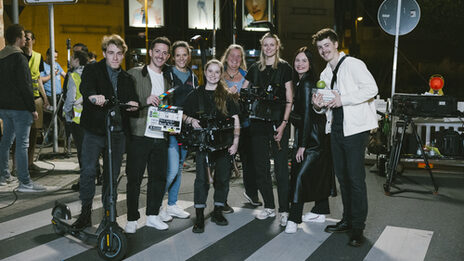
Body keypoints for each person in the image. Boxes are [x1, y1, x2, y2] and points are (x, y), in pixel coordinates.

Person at [312, 28, 378, 247]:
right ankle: (347, 220)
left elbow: (372, 89)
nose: (323, 50)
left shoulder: (353, 64)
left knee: (355, 179)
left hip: (355, 130)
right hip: (336, 130)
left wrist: (344, 99)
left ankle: (358, 227)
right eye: (320, 47)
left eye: (327, 46)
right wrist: (317, 105)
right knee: (342, 178)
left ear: (336, 44)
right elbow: (325, 108)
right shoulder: (324, 74)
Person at [72, 34, 139, 229]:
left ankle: (109, 217)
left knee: (112, 175)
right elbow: (86, 88)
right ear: (104, 53)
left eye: (119, 53)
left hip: (116, 132)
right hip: (94, 130)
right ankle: (85, 213)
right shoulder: (93, 69)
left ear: (123, 55)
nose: (115, 57)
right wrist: (93, 97)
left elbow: (132, 100)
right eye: (111, 53)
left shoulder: (127, 78)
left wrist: (134, 105)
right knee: (88, 171)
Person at [183, 59, 240, 233]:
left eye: (217, 72)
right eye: (210, 71)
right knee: (202, 181)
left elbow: (236, 118)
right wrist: (191, 120)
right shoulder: (195, 95)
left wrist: (236, 142)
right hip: (203, 146)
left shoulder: (227, 95)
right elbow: (182, 115)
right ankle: (199, 217)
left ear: (220, 74)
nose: (213, 75)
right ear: (205, 73)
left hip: (224, 145)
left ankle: (217, 211)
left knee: (222, 179)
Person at [242, 33, 293, 226]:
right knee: (261, 168)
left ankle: (285, 210)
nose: (269, 48)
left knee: (280, 169)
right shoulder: (255, 68)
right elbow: (243, 92)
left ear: (277, 46)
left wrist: (284, 123)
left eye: (272, 45)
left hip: (278, 123)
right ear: (262, 47)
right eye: (266, 45)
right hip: (258, 124)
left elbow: (289, 98)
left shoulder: (285, 67)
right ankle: (269, 207)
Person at [124, 36, 173, 233]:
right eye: (157, 51)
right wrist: (144, 100)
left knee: (158, 177)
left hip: (161, 135)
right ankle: (131, 219)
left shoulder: (168, 79)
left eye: (164, 52)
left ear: (167, 56)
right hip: (139, 133)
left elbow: (170, 107)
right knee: (134, 177)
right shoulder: (134, 74)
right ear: (150, 52)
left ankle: (152, 215)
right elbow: (126, 103)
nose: (160, 55)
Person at [284, 47, 333, 233]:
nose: (300, 64)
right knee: (318, 173)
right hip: (315, 136)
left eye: (304, 60)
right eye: (297, 60)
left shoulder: (305, 84)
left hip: (311, 139)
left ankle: (293, 219)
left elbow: (305, 117)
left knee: (299, 176)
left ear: (310, 63)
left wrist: (302, 145)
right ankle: (320, 210)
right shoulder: (303, 81)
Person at [0, 24, 45, 191]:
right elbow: (25, 85)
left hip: (4, 107)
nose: (26, 40)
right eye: (24, 37)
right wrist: (32, 108)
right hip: (20, 108)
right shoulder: (20, 58)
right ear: (18, 38)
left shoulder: (1, 56)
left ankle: (3, 176)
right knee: (22, 144)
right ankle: (25, 182)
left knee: (6, 142)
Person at [158, 41, 198, 222]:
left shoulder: (193, 76)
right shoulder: (167, 74)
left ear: (188, 56)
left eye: (185, 55)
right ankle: (156, 205)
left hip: (186, 130)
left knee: (179, 168)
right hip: (170, 127)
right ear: (172, 57)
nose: (181, 58)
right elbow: (163, 101)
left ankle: (172, 204)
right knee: (172, 169)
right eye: (178, 55)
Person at [220, 44, 262, 208]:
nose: (235, 59)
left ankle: (252, 193)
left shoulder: (247, 75)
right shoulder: (218, 75)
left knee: (249, 162)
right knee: (224, 164)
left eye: (239, 56)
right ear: (227, 56)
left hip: (245, 125)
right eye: (232, 55)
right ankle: (221, 200)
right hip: (224, 127)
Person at [22, 30, 48, 172]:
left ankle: (30, 163)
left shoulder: (38, 57)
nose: (26, 41)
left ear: (34, 40)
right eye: (24, 38)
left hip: (36, 98)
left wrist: (44, 98)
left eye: (29, 38)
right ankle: (18, 165)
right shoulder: (18, 55)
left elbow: (38, 78)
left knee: (33, 133)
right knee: (20, 133)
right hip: (22, 99)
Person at [63, 50, 89, 170]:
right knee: (91, 148)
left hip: (77, 118)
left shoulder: (73, 76)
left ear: (77, 60)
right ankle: (97, 175)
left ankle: (84, 178)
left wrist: (67, 113)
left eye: (72, 58)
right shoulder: (90, 73)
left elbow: (70, 99)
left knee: (81, 149)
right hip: (90, 116)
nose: (70, 60)